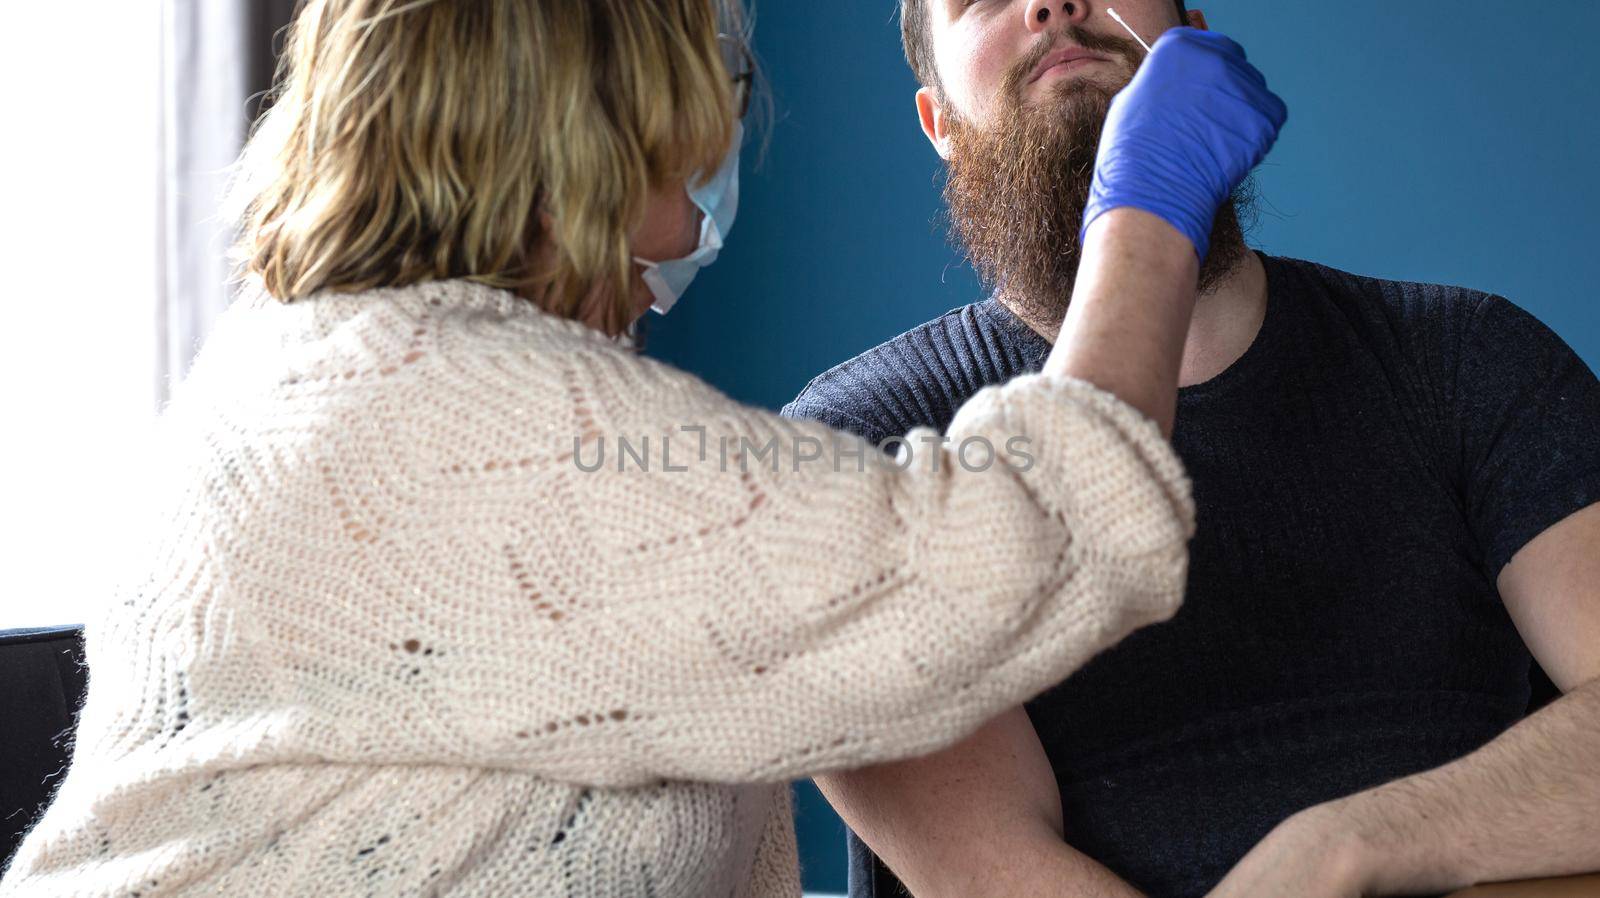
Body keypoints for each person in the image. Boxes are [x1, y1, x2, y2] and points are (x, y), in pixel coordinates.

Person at [0, 1, 1289, 896]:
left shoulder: (332, 362)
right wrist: (1145, 210)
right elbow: (1007, 554)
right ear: (594, 121)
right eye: (696, 95)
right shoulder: (452, 411)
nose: (717, 137)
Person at [784, 2, 1600, 897]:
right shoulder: (851, 451)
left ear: (1192, 37)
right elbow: (999, 876)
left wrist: (1348, 846)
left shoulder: (1468, 358)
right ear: (940, 124)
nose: (1051, 2)